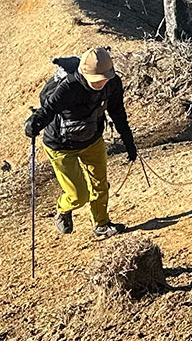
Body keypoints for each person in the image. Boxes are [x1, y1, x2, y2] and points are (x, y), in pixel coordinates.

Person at [24, 46, 137, 239]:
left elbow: (117, 112)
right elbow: (49, 109)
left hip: (92, 140)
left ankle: (101, 224)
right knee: (78, 196)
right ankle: (63, 207)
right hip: (61, 146)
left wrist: (128, 140)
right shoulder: (69, 87)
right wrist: (35, 123)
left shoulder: (112, 83)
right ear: (84, 73)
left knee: (100, 185)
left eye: (104, 78)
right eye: (96, 79)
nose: (100, 82)